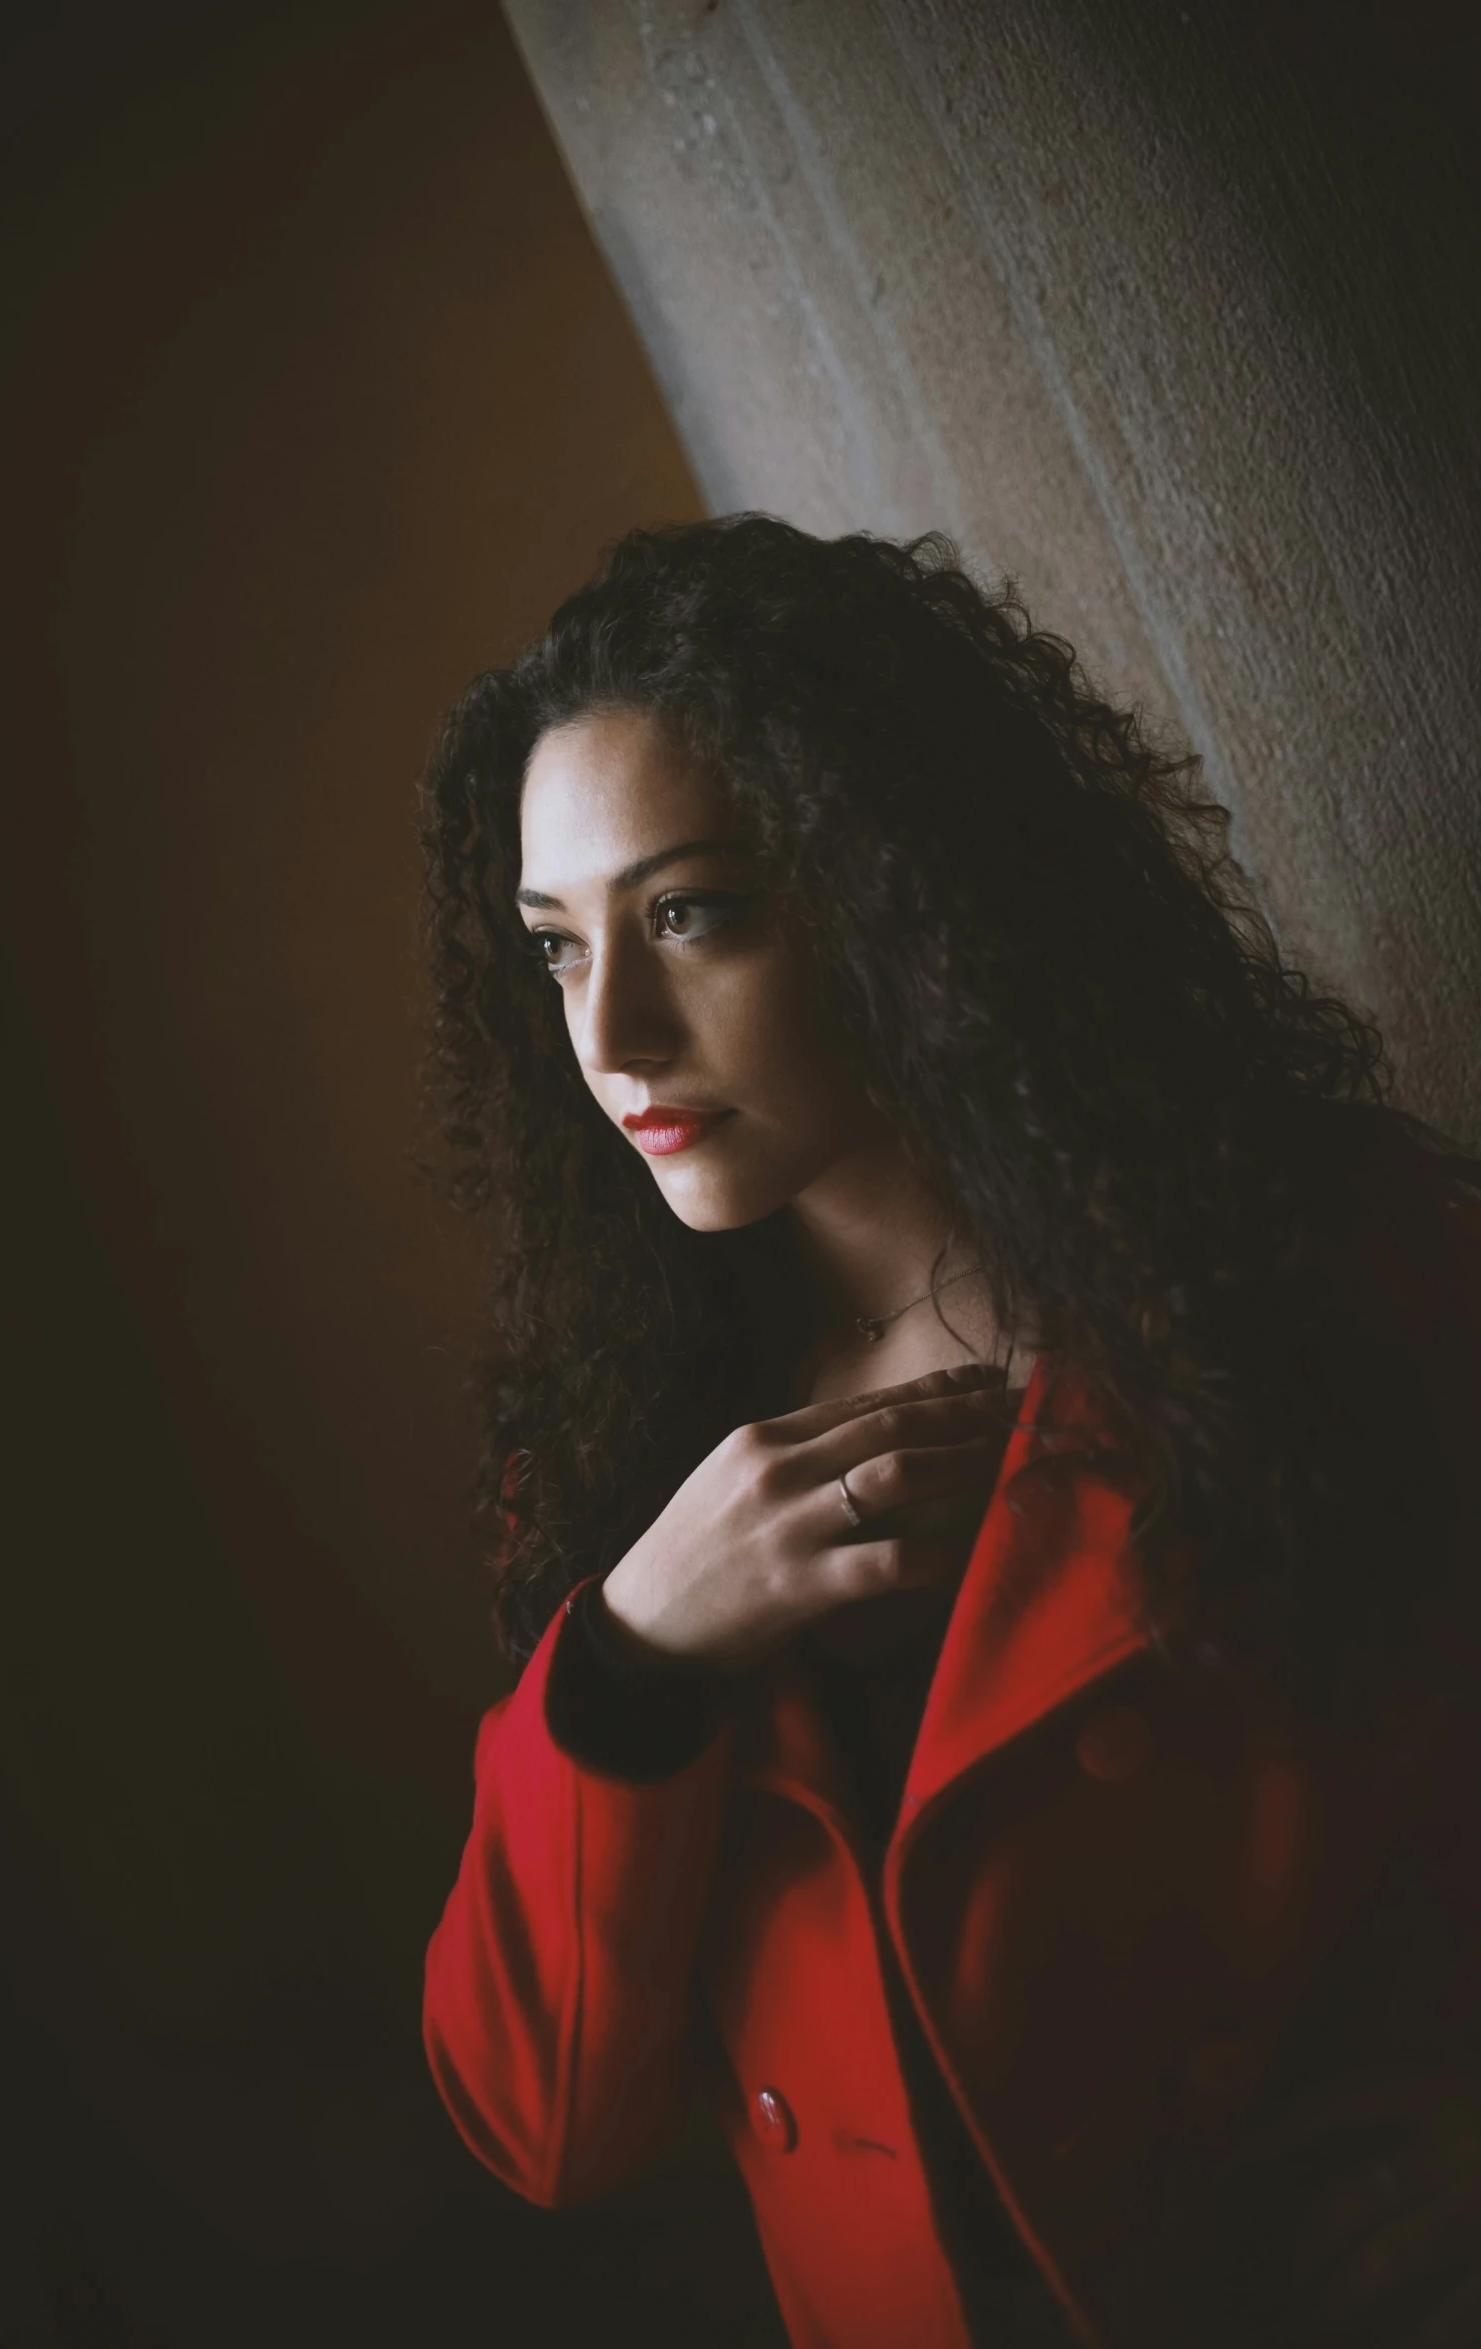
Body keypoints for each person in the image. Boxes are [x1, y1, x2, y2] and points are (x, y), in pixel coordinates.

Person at [418, 516, 1481, 2347]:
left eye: (692, 911)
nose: (615, 1031)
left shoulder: (1305, 1266)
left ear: (894, 883)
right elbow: (541, 2128)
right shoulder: (623, 1450)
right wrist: (640, 1655)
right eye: (556, 947)